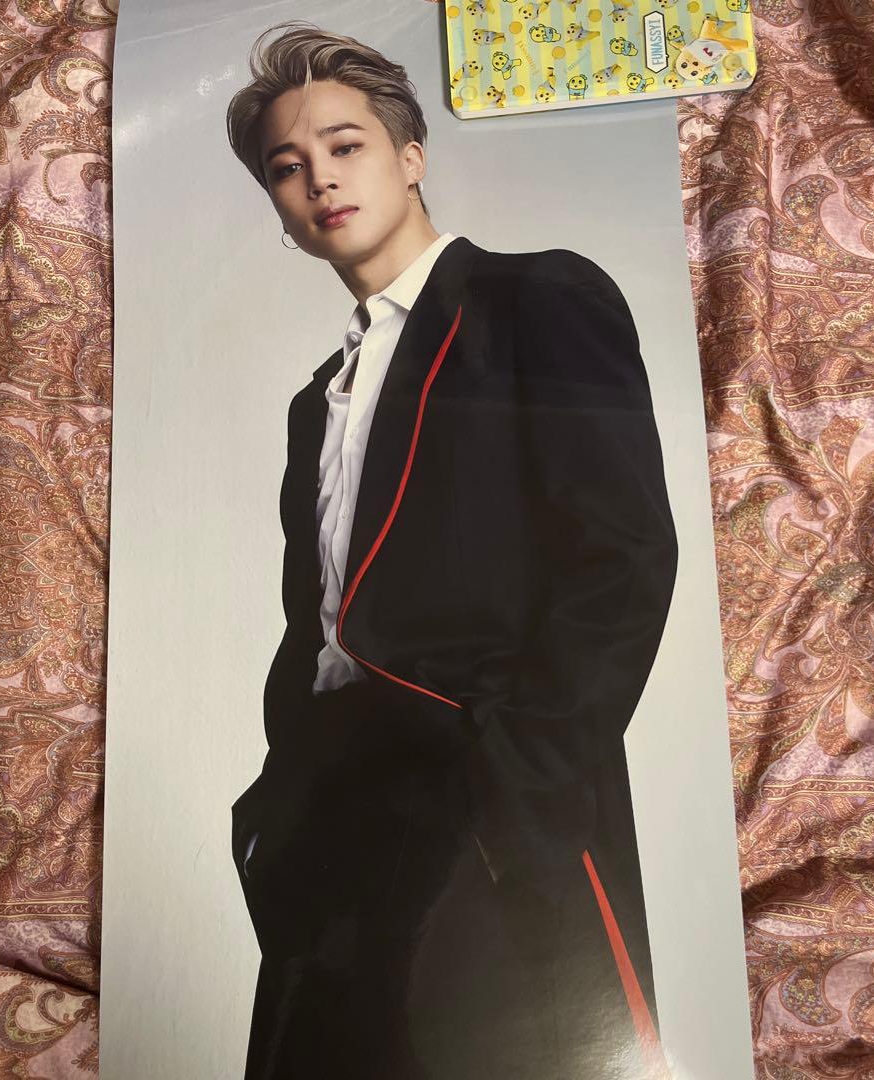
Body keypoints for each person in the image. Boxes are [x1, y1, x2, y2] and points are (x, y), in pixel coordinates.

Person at [225, 21, 678, 1080]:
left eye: (345, 146)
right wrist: (279, 804)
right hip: (334, 813)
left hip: (480, 788)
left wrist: (517, 779)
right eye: (287, 167)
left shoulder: (534, 301)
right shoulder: (314, 403)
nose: (318, 179)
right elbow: (318, 621)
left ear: (411, 156)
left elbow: (621, 556)